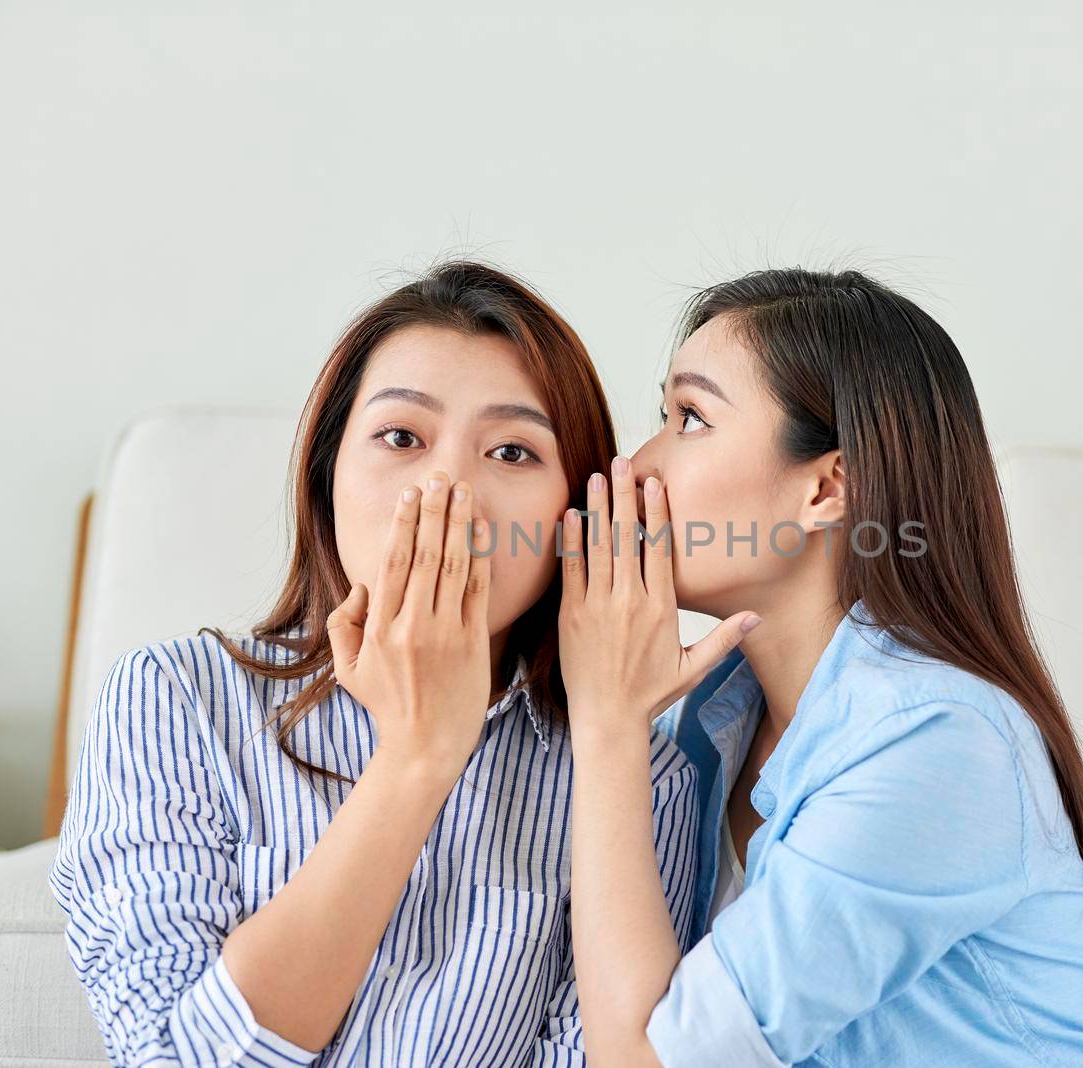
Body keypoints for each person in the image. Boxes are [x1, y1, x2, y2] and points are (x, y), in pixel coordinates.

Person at [48, 261, 702, 1066]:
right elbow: (173, 1057)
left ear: (574, 516)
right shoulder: (175, 699)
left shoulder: (641, 774)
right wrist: (417, 757)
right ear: (327, 476)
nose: (446, 486)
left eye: (511, 451)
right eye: (401, 437)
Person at [556, 267, 1083, 1066]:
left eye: (691, 418)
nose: (636, 466)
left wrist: (607, 724)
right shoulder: (714, 721)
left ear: (826, 487)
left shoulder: (935, 739)